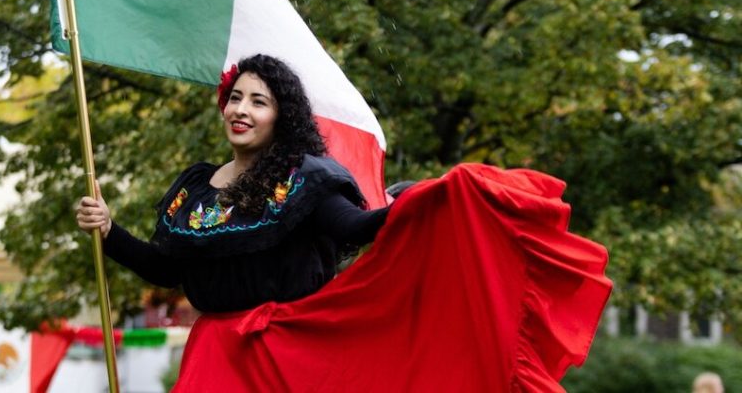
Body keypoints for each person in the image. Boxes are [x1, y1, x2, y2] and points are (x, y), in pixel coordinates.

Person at [77, 53, 612, 391]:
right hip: (214, 354)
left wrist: (424, 199)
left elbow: (358, 229)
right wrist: (109, 231)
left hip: (284, 354)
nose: (241, 109)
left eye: (258, 102)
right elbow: (166, 269)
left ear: (280, 117)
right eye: (235, 98)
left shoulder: (305, 178)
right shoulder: (196, 188)